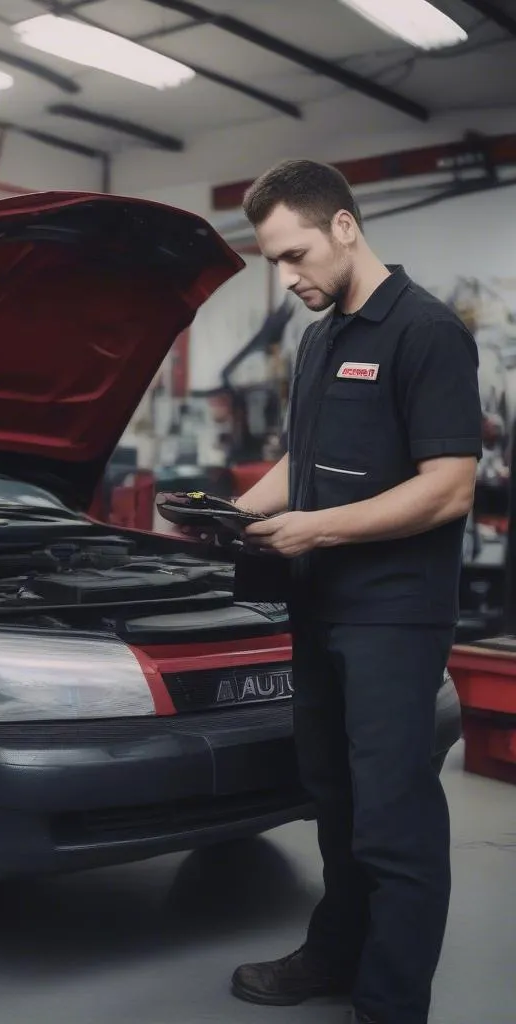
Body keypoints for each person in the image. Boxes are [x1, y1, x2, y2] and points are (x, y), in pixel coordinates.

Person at [227, 159, 482, 1024]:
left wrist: (319, 528)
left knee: (392, 816)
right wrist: (228, 512)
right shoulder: (320, 337)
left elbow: (449, 485)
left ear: (343, 226)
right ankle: (337, 954)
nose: (287, 277)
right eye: (274, 263)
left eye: (294, 255)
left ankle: (390, 1001)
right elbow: (304, 461)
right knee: (331, 798)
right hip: (319, 604)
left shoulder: (426, 331)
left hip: (394, 614)